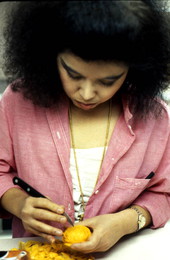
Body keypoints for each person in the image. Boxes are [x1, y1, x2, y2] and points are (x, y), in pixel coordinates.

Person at [0, 0, 170, 254]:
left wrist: (125, 222)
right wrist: (19, 203)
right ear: (49, 55)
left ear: (135, 69)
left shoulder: (157, 118)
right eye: (74, 74)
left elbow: (163, 194)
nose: (87, 93)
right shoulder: (16, 102)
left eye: (108, 80)